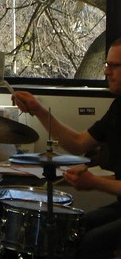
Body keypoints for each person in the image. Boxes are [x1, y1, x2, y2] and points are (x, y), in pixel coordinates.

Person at [12, 38, 121, 259]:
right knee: (72, 229)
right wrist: (39, 110)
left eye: (114, 66)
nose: (106, 72)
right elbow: (78, 144)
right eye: (107, 64)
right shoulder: (118, 106)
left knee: (91, 241)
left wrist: (95, 182)